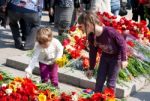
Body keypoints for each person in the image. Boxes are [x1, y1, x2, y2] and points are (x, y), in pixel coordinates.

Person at [77, 11, 128, 93]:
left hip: (116, 59)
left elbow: (122, 44)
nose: (81, 29)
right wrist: (91, 68)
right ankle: (97, 97)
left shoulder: (109, 32)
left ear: (88, 24)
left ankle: (109, 98)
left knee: (111, 83)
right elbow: (92, 53)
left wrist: (124, 59)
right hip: (105, 57)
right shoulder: (91, 36)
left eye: (81, 26)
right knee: (99, 80)